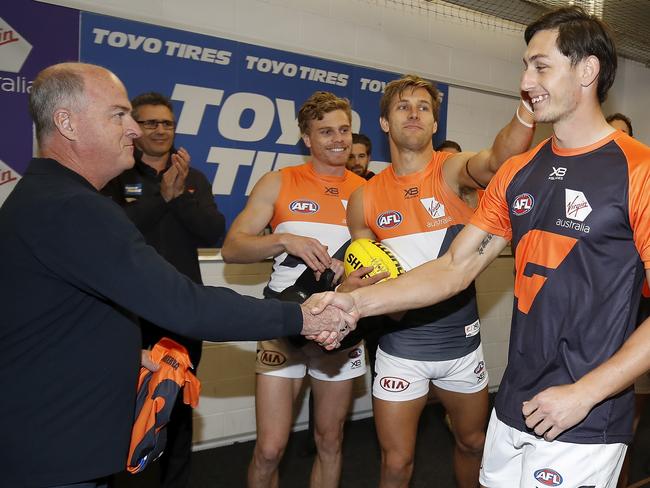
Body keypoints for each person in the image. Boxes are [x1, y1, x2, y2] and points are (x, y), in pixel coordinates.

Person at [319, 7, 650, 488]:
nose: (525, 81)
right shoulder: (520, 172)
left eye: (540, 66)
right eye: (524, 66)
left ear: (587, 70)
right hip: (514, 401)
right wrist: (351, 302)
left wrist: (584, 393)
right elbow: (454, 266)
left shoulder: (637, 170)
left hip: (584, 414)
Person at [0, 62, 352, 488]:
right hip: (54, 457)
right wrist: (303, 318)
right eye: (118, 114)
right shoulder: (73, 207)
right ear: (67, 123)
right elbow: (186, 305)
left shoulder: (44, 196)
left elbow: (51, 314)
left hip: (49, 442)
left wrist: (122, 354)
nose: (133, 129)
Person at [346, 74, 534, 488]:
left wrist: (526, 110)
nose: (413, 113)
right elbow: (359, 271)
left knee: (471, 443)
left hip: (460, 347)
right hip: (400, 349)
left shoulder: (451, 172)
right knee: (396, 463)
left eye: (424, 107)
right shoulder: (363, 198)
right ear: (384, 123)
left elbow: (497, 160)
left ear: (435, 125)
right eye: (402, 106)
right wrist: (350, 289)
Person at [221, 91, 380, 488]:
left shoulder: (369, 192)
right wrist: (284, 241)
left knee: (330, 440)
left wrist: (358, 272)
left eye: (344, 130)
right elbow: (232, 248)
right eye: (326, 131)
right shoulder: (278, 182)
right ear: (306, 138)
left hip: (342, 328)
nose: (338, 139)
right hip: (282, 322)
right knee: (270, 448)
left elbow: (384, 263)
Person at [102, 91, 225, 487]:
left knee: (179, 406)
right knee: (122, 406)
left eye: (167, 123)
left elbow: (214, 232)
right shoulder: (116, 176)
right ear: (135, 129)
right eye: (151, 123)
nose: (160, 130)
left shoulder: (194, 178)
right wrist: (162, 198)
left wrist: (181, 197)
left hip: (183, 312)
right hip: (130, 313)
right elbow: (115, 236)